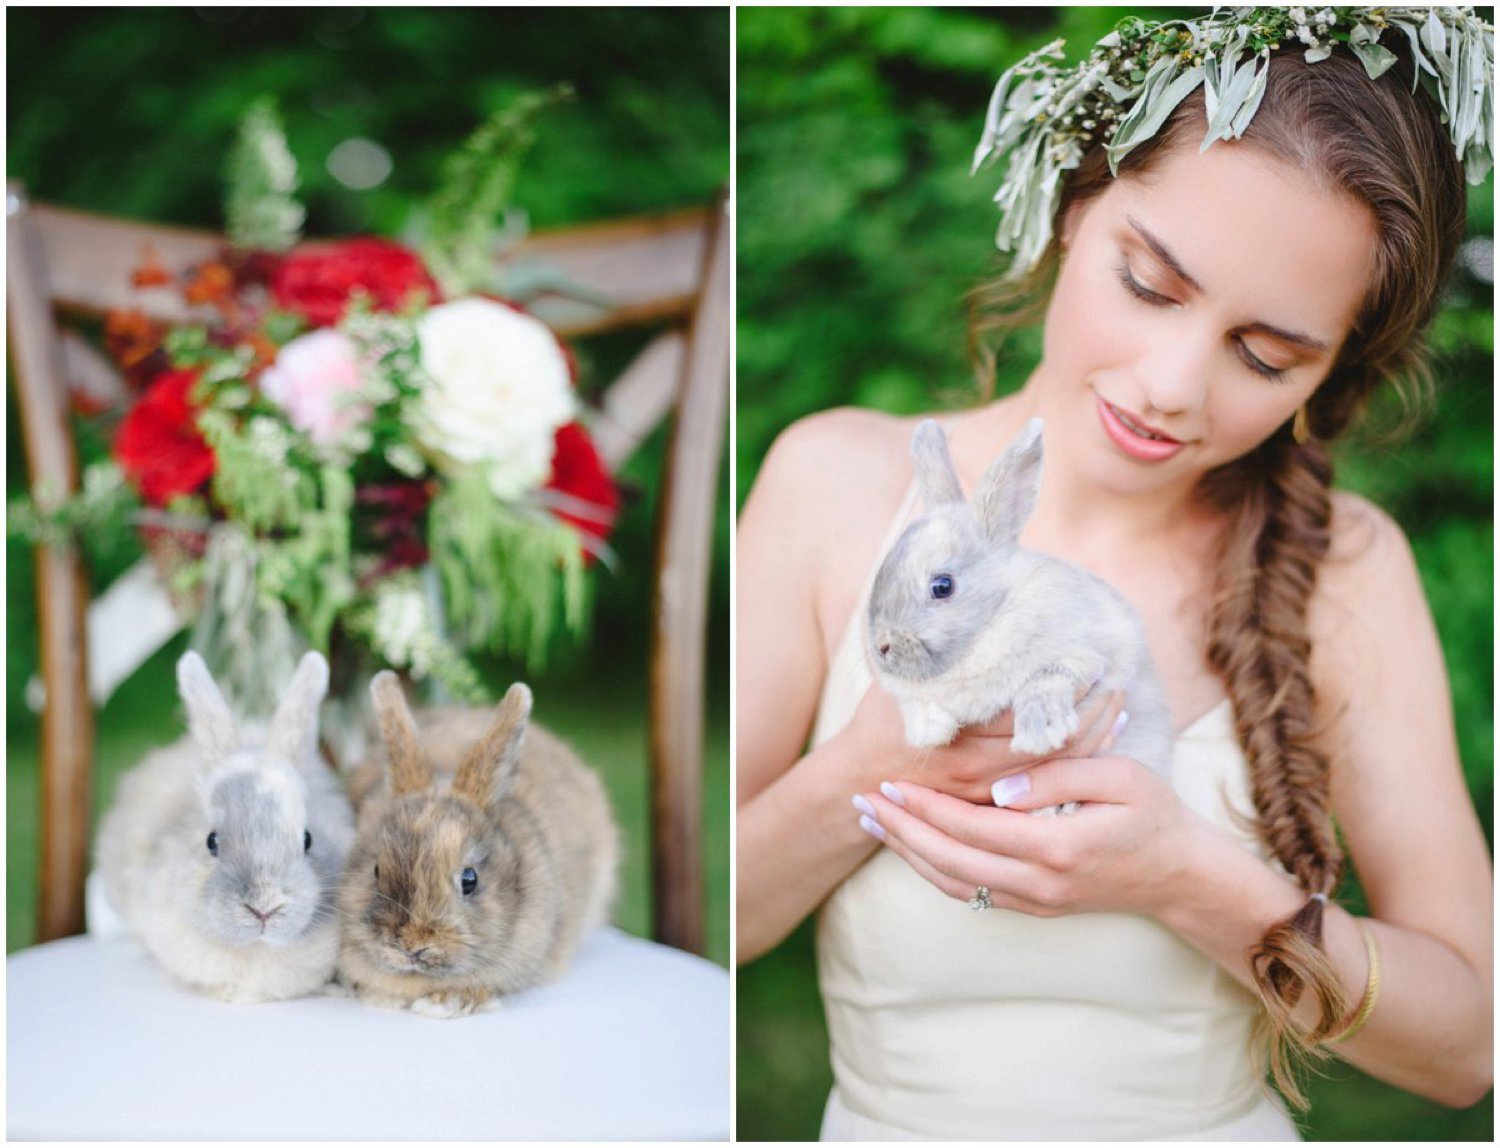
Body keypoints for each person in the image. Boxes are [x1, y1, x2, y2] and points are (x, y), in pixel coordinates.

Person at [737, 7, 1493, 1141]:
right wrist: (875, 764)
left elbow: (1467, 1047)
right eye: (1149, 284)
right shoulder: (835, 484)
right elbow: (707, 913)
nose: (1173, 385)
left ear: (1331, 370)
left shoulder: (1348, 570)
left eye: (1265, 353)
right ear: (1073, 202)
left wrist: (1190, 879)